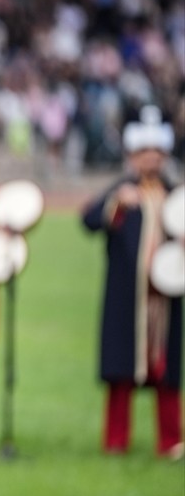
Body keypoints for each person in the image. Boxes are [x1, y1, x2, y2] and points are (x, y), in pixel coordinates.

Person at [82, 105, 182, 459]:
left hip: (167, 296)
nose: (151, 159)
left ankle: (170, 440)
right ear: (132, 155)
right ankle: (116, 440)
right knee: (121, 368)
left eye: (156, 152)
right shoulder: (122, 191)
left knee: (167, 370)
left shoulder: (176, 194)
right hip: (126, 294)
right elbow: (89, 220)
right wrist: (116, 204)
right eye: (144, 152)